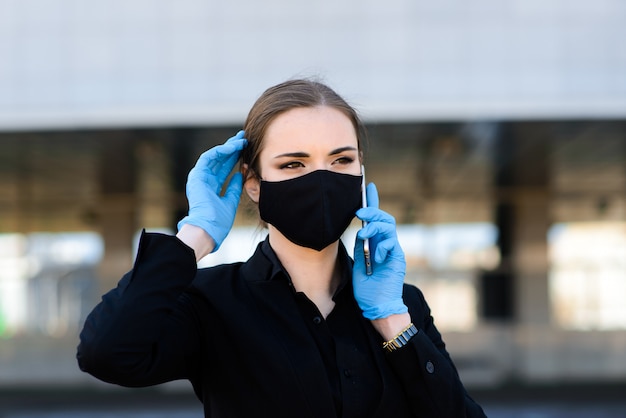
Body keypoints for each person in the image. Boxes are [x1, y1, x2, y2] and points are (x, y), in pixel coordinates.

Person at [77, 79, 487, 418]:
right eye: (294, 163)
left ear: (362, 173)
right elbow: (106, 352)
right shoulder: (210, 302)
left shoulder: (403, 305)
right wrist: (196, 236)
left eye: (341, 160)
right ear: (253, 184)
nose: (321, 179)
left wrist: (393, 322)